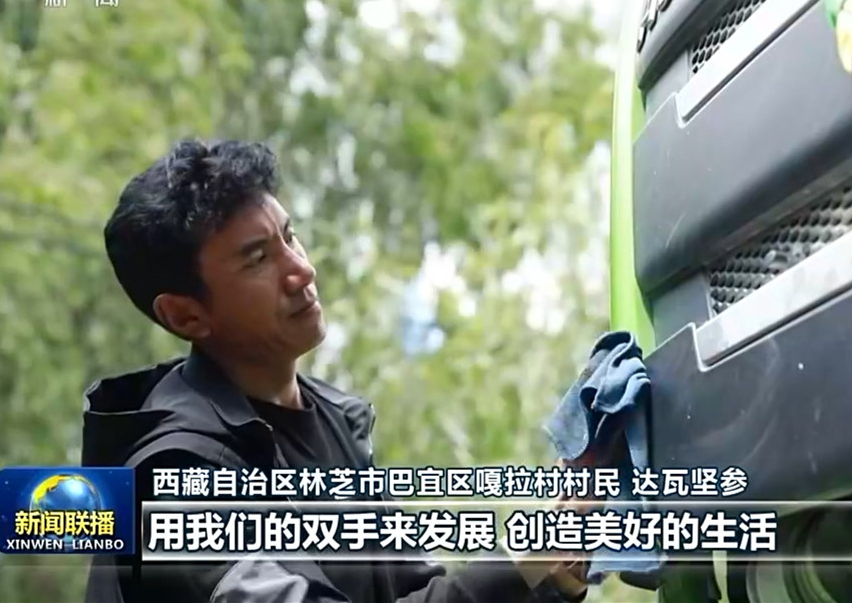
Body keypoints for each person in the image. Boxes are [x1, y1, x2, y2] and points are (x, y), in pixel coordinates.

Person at [80, 138, 593, 603]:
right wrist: (522, 562)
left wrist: (552, 578)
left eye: (290, 237)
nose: (301, 270)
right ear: (186, 316)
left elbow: (418, 595)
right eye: (257, 260)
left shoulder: (333, 419)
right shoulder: (171, 477)